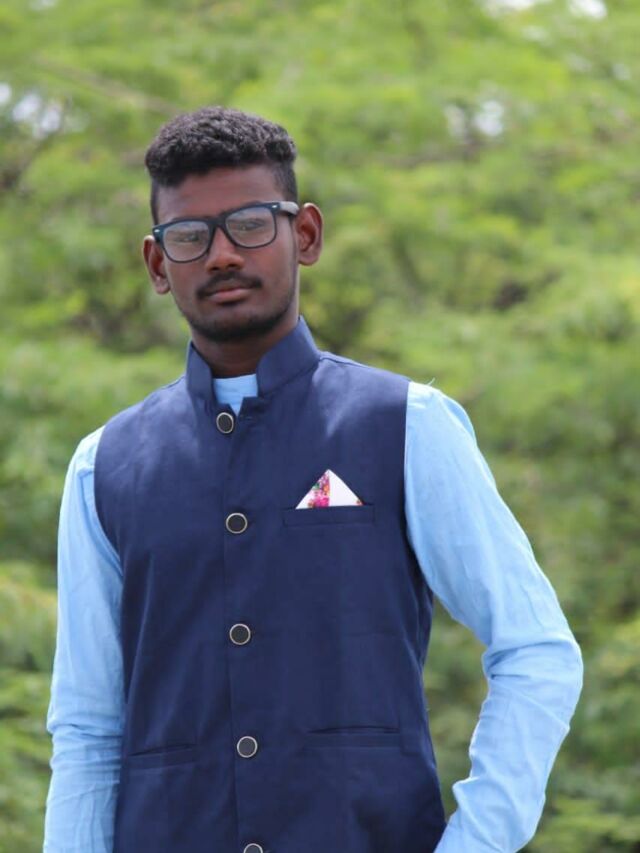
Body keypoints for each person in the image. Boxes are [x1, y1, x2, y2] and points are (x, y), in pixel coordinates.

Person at [43, 106, 583, 853]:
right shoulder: (104, 466)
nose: (222, 255)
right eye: (190, 236)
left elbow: (535, 650)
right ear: (158, 264)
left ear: (305, 235)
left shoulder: (406, 427)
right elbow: (88, 727)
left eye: (250, 224)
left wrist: (476, 842)